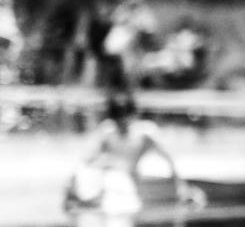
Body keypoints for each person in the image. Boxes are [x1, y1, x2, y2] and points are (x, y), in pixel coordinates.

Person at [64, 91, 201, 214]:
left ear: (133, 116)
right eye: (118, 121)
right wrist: (73, 183)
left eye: (125, 119)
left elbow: (168, 158)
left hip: (129, 184)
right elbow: (87, 159)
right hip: (108, 181)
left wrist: (180, 186)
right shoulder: (107, 131)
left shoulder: (145, 133)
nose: (122, 124)